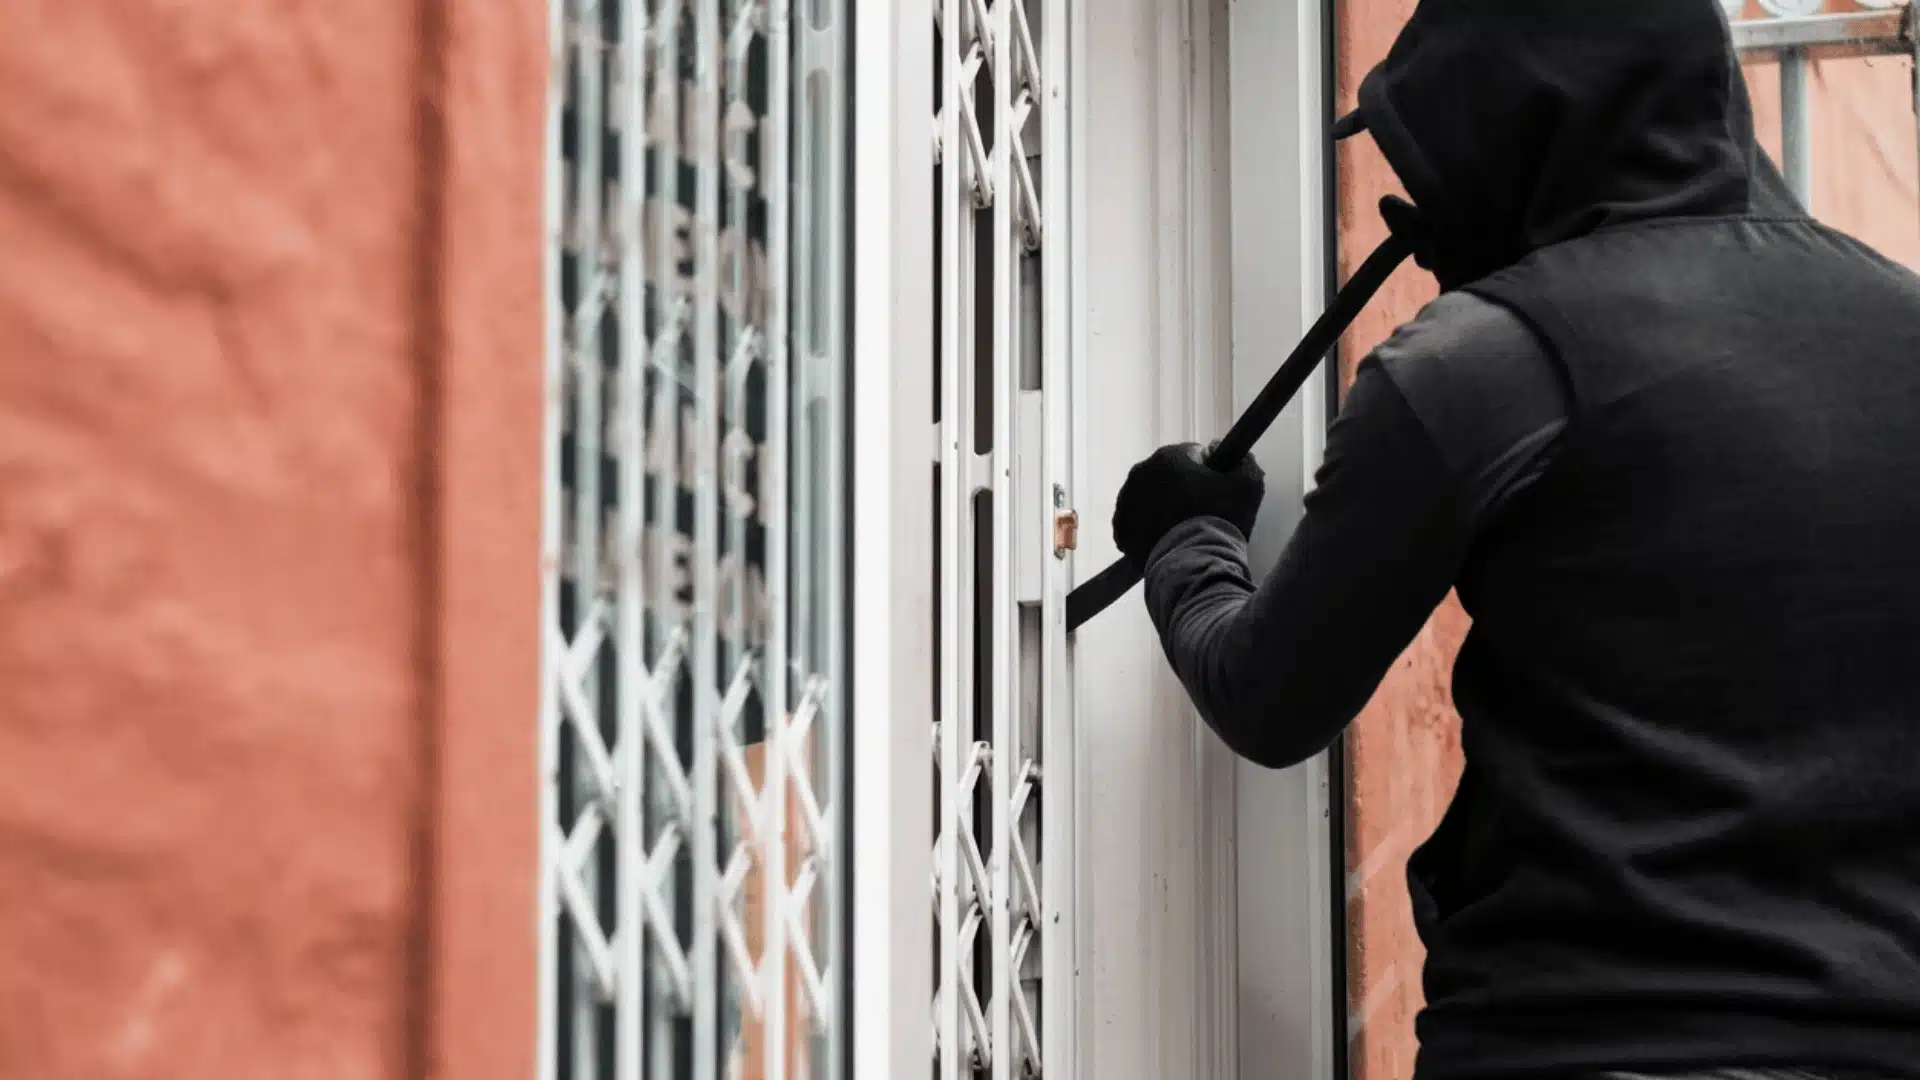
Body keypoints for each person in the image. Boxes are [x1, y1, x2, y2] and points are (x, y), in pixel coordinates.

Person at [1109, 1, 1920, 1078]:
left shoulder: (1485, 364)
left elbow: (1268, 695)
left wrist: (1187, 540)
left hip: (1573, 1041)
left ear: (1512, 131)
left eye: (1434, 158)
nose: (1415, 208)